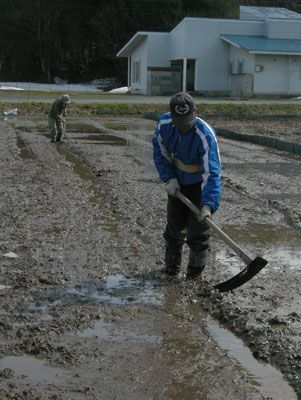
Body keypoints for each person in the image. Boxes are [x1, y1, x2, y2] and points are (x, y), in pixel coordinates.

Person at [152, 92, 222, 279]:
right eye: (179, 122)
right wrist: (169, 178)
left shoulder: (205, 134)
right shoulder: (164, 125)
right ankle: (171, 270)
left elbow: (212, 173)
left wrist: (208, 204)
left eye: (187, 121)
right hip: (178, 184)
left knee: (198, 235)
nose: (183, 126)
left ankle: (194, 276)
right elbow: (160, 153)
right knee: (174, 230)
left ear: (195, 113)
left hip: (200, 187)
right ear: (172, 116)